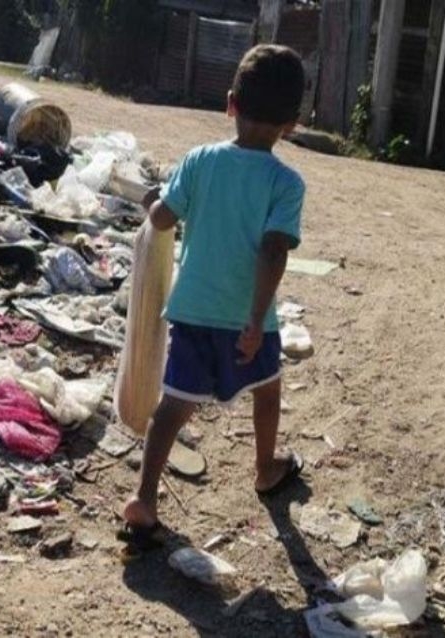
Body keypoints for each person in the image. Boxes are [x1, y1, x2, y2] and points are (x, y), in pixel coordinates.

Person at [122, 44, 307, 546]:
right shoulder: (286, 183)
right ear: (293, 124)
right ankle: (266, 469)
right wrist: (255, 320)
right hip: (248, 319)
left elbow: (162, 219)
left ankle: (144, 499)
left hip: (193, 311)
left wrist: (151, 199)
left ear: (230, 104)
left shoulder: (199, 160)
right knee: (267, 390)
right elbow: (274, 250)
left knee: (173, 406)